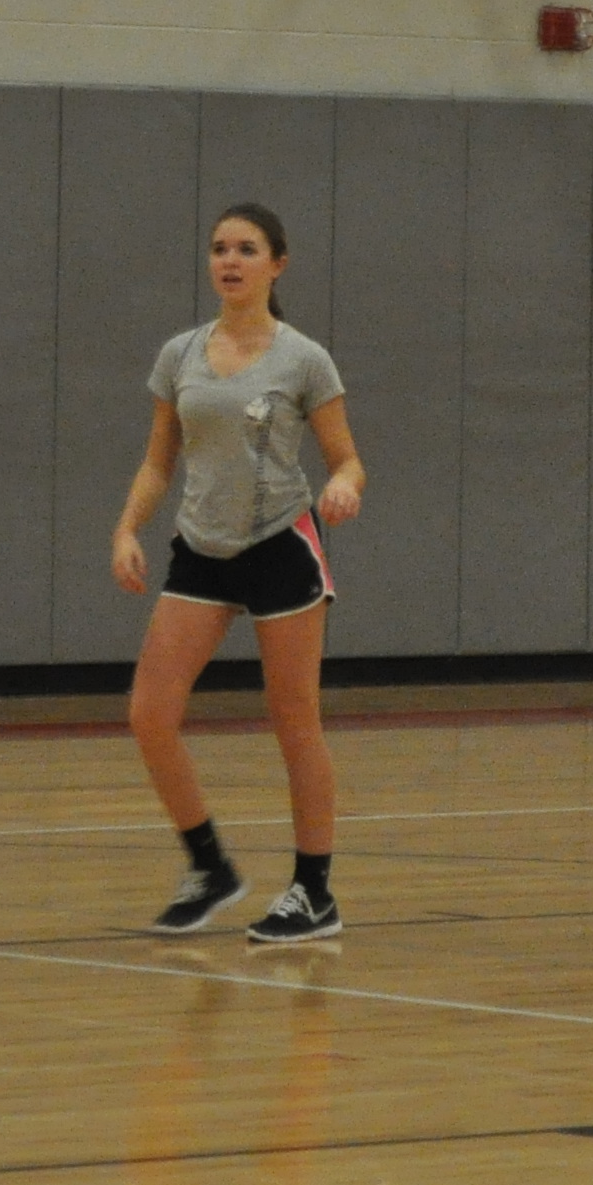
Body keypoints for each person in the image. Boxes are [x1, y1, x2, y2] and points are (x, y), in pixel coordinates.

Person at [112, 204, 365, 945]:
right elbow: (161, 459)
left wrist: (345, 485)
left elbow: (346, 456)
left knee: (294, 722)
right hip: (201, 547)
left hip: (283, 546)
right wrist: (128, 527)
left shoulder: (304, 359)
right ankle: (210, 867)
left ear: (276, 264)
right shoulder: (181, 353)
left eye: (246, 249)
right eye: (219, 248)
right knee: (149, 715)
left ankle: (314, 893)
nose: (229, 260)